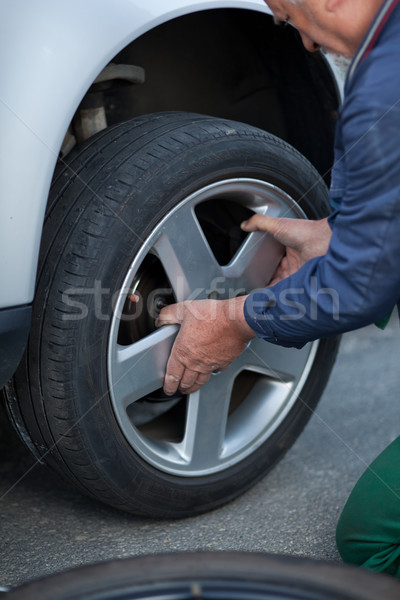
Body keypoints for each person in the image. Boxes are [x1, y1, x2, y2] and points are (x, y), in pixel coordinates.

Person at [156, 0, 400, 578]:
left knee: (371, 536)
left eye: (290, 21)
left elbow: (354, 288)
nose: (307, 47)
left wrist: (235, 319)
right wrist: (336, 235)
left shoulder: (384, 90)